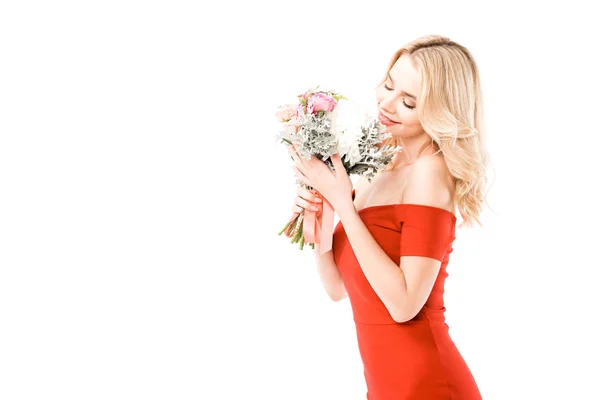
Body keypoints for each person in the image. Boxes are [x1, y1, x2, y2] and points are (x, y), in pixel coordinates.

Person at [288, 35, 489, 399]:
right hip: (386, 387)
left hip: (429, 386)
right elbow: (337, 289)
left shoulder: (430, 172)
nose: (388, 103)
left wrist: (344, 205)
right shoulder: (381, 164)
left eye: (409, 102)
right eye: (389, 85)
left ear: (439, 112)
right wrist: (322, 210)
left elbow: (404, 305)